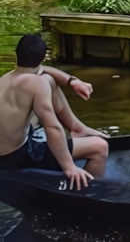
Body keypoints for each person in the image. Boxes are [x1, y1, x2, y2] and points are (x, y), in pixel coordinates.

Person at [0, 34, 108, 189]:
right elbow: (52, 127)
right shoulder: (36, 84)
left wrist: (73, 81)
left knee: (49, 79)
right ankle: (85, 195)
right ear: (43, 58)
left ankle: (77, 129)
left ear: (16, 55)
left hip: (6, 148)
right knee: (100, 147)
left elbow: (44, 71)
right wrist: (68, 166)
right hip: (15, 155)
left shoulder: (5, 78)